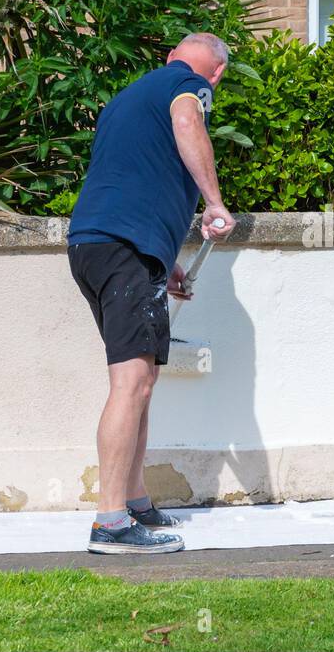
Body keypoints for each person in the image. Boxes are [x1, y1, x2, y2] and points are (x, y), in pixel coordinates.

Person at [66, 32, 237, 554]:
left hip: (100, 245)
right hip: (123, 247)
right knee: (132, 382)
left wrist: (164, 265)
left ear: (168, 57)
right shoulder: (189, 88)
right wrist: (213, 203)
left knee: (144, 377)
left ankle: (136, 501)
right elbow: (188, 124)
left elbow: (136, 176)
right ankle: (111, 523)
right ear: (217, 75)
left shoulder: (127, 98)